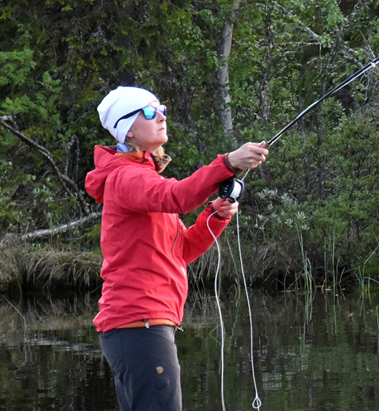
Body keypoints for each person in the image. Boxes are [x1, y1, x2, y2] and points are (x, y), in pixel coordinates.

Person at [87, 85, 269, 411]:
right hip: (139, 325)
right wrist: (227, 162)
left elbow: (181, 250)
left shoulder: (142, 178)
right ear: (127, 128)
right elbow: (177, 197)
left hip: (142, 326)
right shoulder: (127, 178)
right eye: (147, 112)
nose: (160, 116)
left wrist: (214, 214)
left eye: (161, 109)